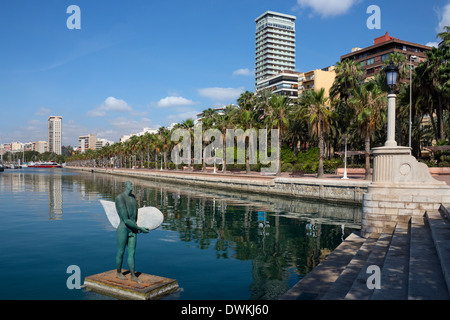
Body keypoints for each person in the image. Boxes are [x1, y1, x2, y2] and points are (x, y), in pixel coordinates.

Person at [115, 181, 149, 282]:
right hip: (123, 228)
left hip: (133, 229)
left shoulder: (133, 197)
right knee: (121, 252)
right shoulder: (120, 198)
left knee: (132, 253)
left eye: (132, 184)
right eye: (130, 184)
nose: (132, 186)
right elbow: (125, 219)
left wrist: (136, 228)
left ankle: (133, 275)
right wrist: (140, 228)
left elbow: (135, 216)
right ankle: (118, 272)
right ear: (125, 186)